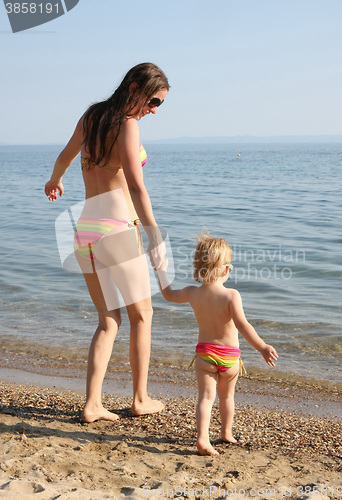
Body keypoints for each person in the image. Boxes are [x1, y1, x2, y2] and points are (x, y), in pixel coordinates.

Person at [44, 62, 170, 422]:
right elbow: (135, 185)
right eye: (153, 101)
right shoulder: (127, 125)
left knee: (108, 320)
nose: (154, 110)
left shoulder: (92, 116)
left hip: (85, 231)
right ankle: (141, 398)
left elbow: (66, 155)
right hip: (117, 229)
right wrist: (155, 236)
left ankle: (92, 404)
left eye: (160, 104)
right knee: (142, 315)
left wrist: (55, 180)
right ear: (134, 88)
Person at [157, 232, 278, 456]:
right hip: (230, 357)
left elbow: (168, 294)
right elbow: (243, 326)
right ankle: (226, 433)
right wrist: (262, 347)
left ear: (198, 267)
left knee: (205, 397)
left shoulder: (193, 293)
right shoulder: (232, 295)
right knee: (227, 397)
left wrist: (162, 271)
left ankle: (203, 438)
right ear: (225, 270)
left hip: (205, 355)